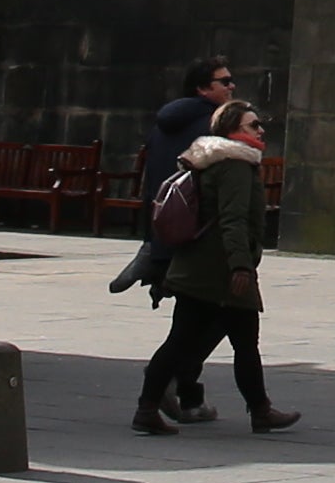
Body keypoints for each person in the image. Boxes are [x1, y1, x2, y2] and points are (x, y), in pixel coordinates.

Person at [132, 97, 302, 437]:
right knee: (235, 342)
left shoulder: (209, 161)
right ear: (233, 132)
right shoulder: (236, 165)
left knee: (191, 340)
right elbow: (233, 220)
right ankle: (259, 411)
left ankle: (150, 408)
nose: (261, 129)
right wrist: (241, 266)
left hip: (198, 267)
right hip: (219, 272)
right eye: (253, 125)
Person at [109, 58, 237, 418]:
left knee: (198, 316)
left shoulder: (165, 125)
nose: (231, 87)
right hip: (198, 238)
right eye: (224, 81)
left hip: (166, 233)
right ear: (202, 88)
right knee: (209, 318)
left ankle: (186, 394)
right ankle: (162, 388)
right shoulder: (211, 128)